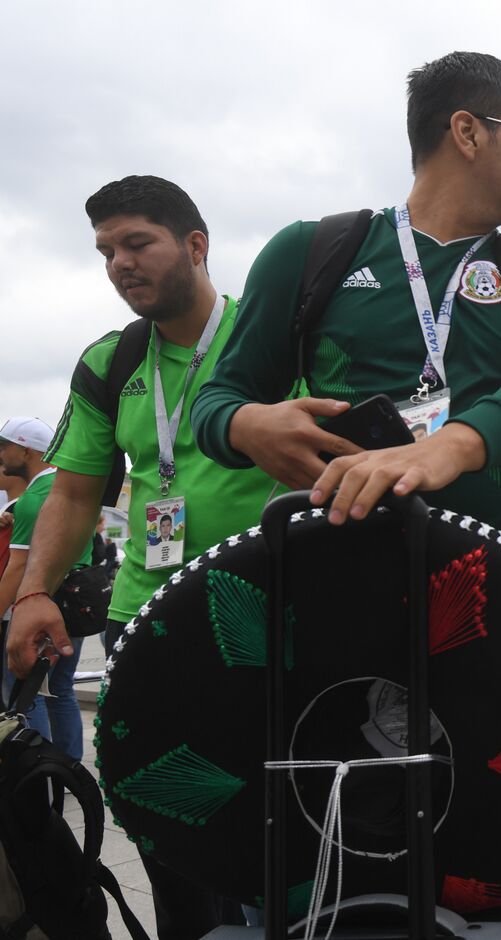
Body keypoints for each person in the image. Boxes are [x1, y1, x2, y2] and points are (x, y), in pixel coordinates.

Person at [191, 52, 501, 564]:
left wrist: (449, 447)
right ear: (468, 133)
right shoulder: (310, 251)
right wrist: (246, 425)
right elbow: (219, 398)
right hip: (347, 563)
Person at [4, 175, 265, 939]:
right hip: (144, 621)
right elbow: (74, 491)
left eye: (137, 243)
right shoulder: (110, 361)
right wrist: (34, 592)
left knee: (269, 821)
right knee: (166, 822)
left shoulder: (269, 337)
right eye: (105, 251)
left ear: (195, 244)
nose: (119, 263)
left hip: (262, 613)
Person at [0, 417, 91, 760]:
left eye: (4, 446)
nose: (1, 455)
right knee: (61, 689)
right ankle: (69, 768)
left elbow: (17, 568)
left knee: (27, 693)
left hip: (37, 609)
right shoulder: (70, 490)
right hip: (73, 606)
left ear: (26, 450)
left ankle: (37, 771)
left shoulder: (35, 497)